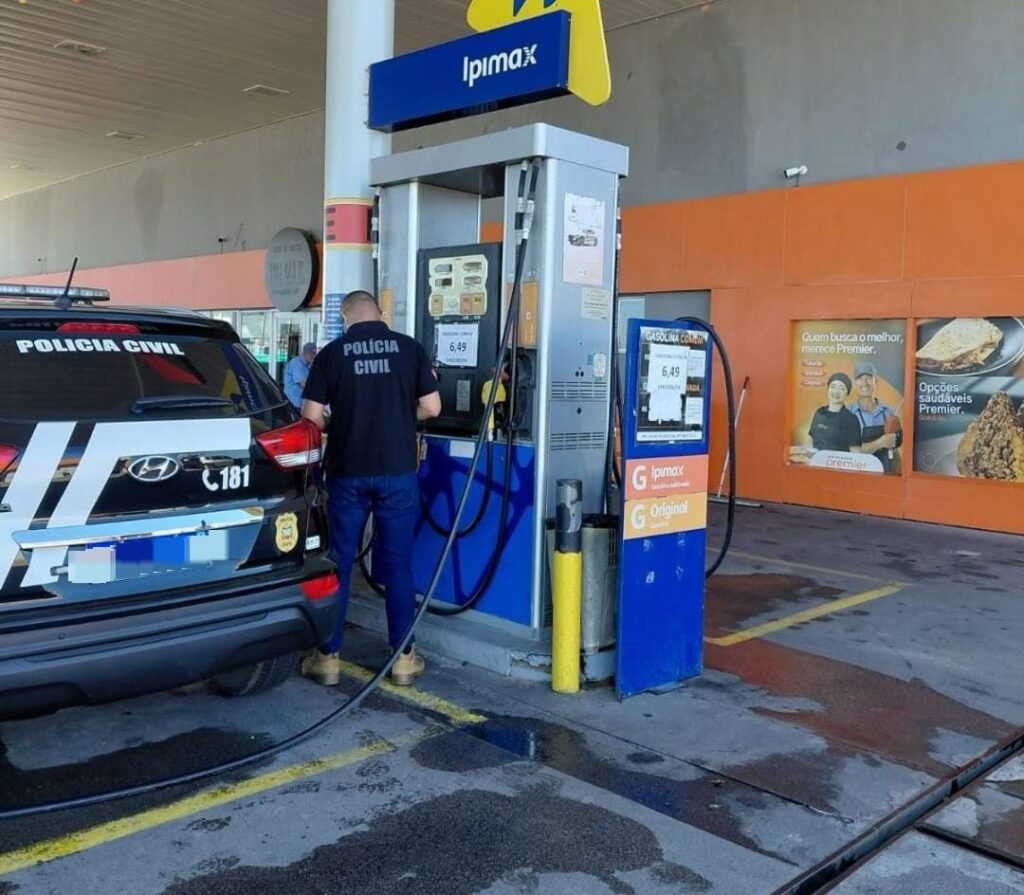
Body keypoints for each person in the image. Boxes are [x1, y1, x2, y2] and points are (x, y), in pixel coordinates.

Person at [301, 290, 441, 687]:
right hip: (397, 472)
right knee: (398, 563)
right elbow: (433, 408)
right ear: (380, 313)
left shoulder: (332, 354)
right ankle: (404, 660)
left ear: (345, 318)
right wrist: (399, 415)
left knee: (339, 561)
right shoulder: (409, 349)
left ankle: (328, 658)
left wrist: (339, 421)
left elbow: (310, 417)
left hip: (347, 472)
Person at [848, 361, 900, 472]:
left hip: (886, 473)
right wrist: (880, 443)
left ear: (876, 381)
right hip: (858, 475)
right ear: (854, 383)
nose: (865, 383)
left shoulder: (890, 412)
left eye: (869, 378)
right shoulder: (848, 414)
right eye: (860, 379)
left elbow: (895, 451)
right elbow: (850, 452)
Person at [806, 372, 862, 453]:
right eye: (833, 387)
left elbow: (855, 452)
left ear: (847, 393)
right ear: (828, 389)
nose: (836, 392)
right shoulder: (820, 412)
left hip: (837, 461)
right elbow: (811, 440)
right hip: (815, 459)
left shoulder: (851, 419)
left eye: (841, 388)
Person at [284, 342, 316, 410]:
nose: (314, 357)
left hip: (301, 403)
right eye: (312, 355)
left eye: (314, 354)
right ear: (306, 353)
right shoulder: (297, 363)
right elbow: (304, 384)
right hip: (294, 404)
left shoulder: (307, 364)